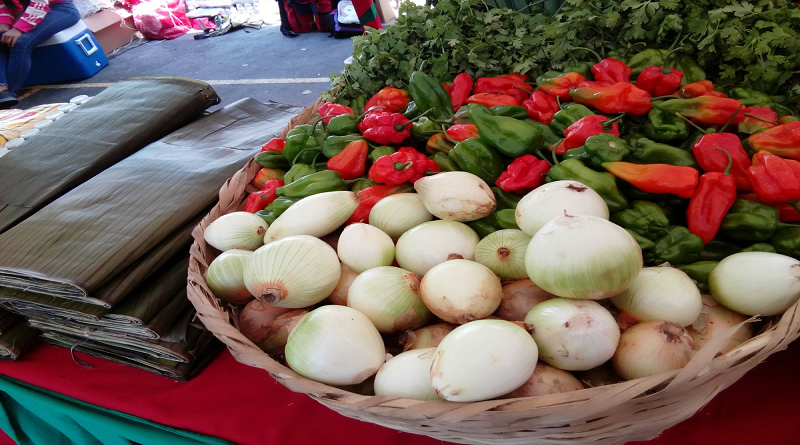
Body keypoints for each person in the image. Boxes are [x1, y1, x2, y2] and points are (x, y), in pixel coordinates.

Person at [0, 0, 80, 108]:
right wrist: (4, 25)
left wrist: (18, 29)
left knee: (21, 43)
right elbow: (4, 5)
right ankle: (2, 89)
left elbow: (40, 4)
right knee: (1, 39)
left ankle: (7, 96)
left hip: (60, 10)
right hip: (32, 12)